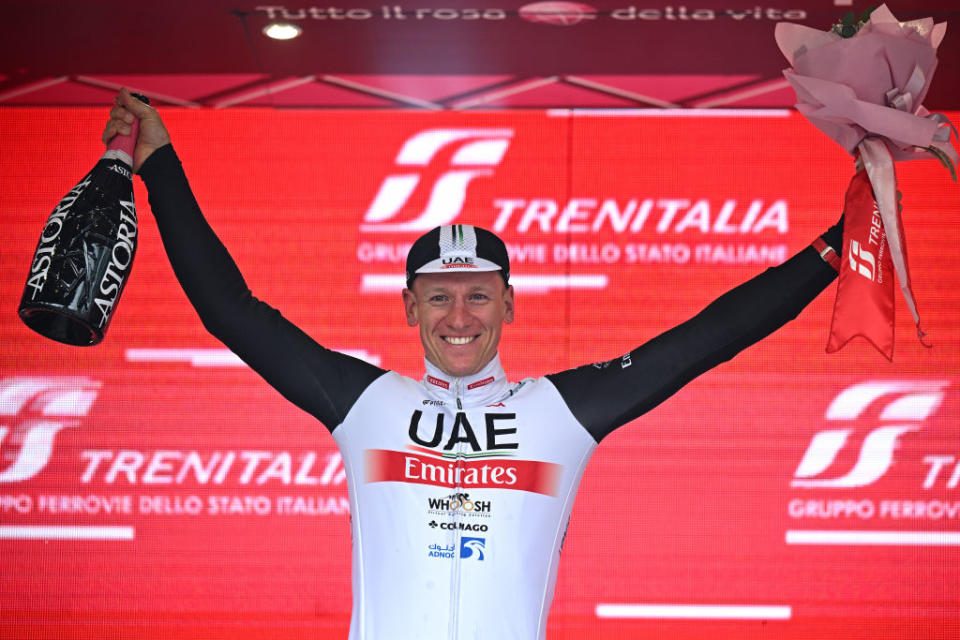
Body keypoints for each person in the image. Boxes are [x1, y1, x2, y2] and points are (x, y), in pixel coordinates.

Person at [104, 88, 843, 640]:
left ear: (511, 305)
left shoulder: (557, 413)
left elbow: (708, 337)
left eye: (479, 296)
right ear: (408, 307)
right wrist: (160, 164)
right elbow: (231, 312)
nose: (459, 318)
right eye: (439, 298)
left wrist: (840, 244)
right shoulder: (366, 402)